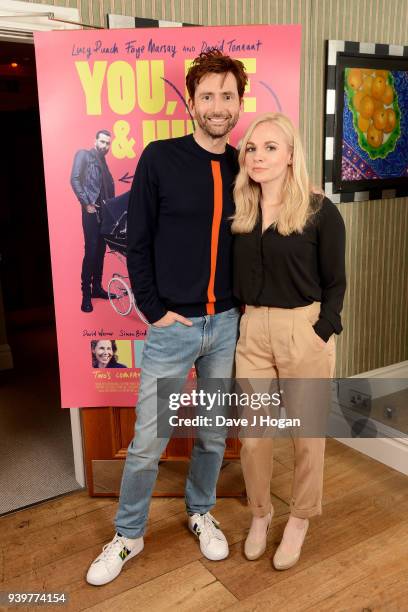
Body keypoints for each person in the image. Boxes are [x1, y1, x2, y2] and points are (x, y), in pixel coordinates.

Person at [86, 50, 247, 586]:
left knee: (211, 434)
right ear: (192, 102)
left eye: (227, 95)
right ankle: (128, 534)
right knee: (148, 441)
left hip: (224, 326)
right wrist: (155, 312)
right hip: (172, 330)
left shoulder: (243, 163)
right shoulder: (160, 158)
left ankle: (200, 511)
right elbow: (139, 243)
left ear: (239, 102)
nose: (218, 106)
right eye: (208, 96)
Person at [232, 113, 346, 569]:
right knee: (255, 437)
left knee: (306, 436)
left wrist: (323, 330)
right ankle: (261, 513)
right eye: (252, 148)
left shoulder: (319, 210)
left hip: (304, 330)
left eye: (271, 147)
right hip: (252, 331)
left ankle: (300, 517)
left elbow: (336, 281)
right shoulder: (240, 207)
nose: (259, 156)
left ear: (291, 155)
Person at [70, 130, 115, 313]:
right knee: (91, 251)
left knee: (101, 251)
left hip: (105, 213)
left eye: (107, 143)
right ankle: (86, 294)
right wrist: (86, 202)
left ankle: (96, 287)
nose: (105, 146)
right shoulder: (84, 155)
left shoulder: (103, 162)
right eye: (102, 142)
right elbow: (74, 179)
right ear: (95, 140)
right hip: (91, 212)